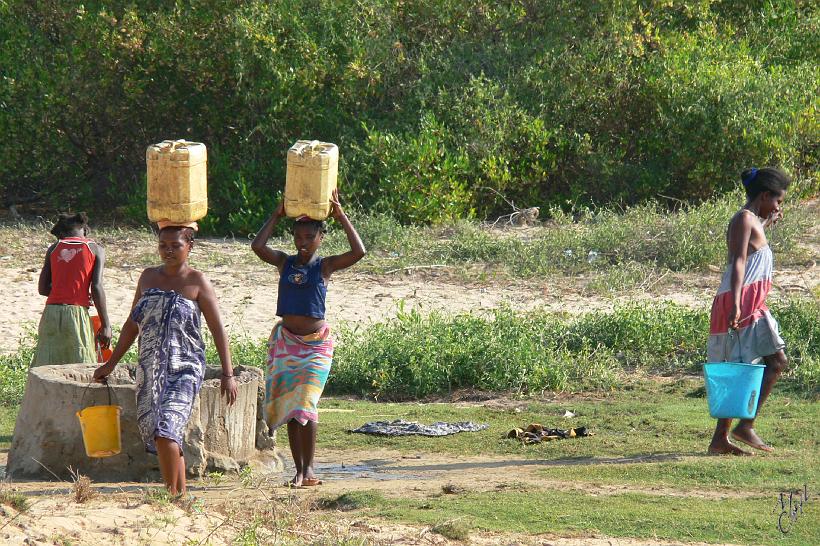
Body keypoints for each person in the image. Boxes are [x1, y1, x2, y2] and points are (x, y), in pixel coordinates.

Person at [93, 224, 238, 496]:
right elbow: (132, 324)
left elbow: (218, 330)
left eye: (175, 245)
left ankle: (171, 497)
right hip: (149, 369)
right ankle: (181, 497)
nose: (168, 251)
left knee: (166, 428)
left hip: (185, 369)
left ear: (190, 247)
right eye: (163, 245)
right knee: (160, 433)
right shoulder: (147, 278)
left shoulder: (197, 282)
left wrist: (228, 375)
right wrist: (110, 364)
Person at [252, 189, 365, 487]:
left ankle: (309, 470)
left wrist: (341, 216)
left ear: (320, 238)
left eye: (309, 238)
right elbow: (258, 246)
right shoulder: (284, 263)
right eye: (298, 238)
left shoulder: (324, 266)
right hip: (287, 343)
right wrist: (276, 215)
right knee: (292, 409)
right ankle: (299, 471)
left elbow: (359, 252)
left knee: (305, 404)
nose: (302, 244)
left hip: (316, 345)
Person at [707, 167, 790, 455]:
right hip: (740, 303)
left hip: (752, 304)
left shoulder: (752, 220)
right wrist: (738, 304)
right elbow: (739, 260)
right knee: (742, 369)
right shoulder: (743, 219)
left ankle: (741, 428)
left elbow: (753, 245)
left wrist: (766, 222)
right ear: (764, 195)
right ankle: (728, 435)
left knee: (772, 362)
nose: (778, 207)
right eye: (777, 201)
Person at [33, 212, 111, 365]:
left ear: (62, 234)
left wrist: (66, 291)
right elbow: (96, 286)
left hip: (51, 313)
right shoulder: (95, 249)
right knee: (80, 364)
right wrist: (106, 325)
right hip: (77, 314)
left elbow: (42, 289)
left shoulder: (54, 248)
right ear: (85, 230)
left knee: (47, 364)